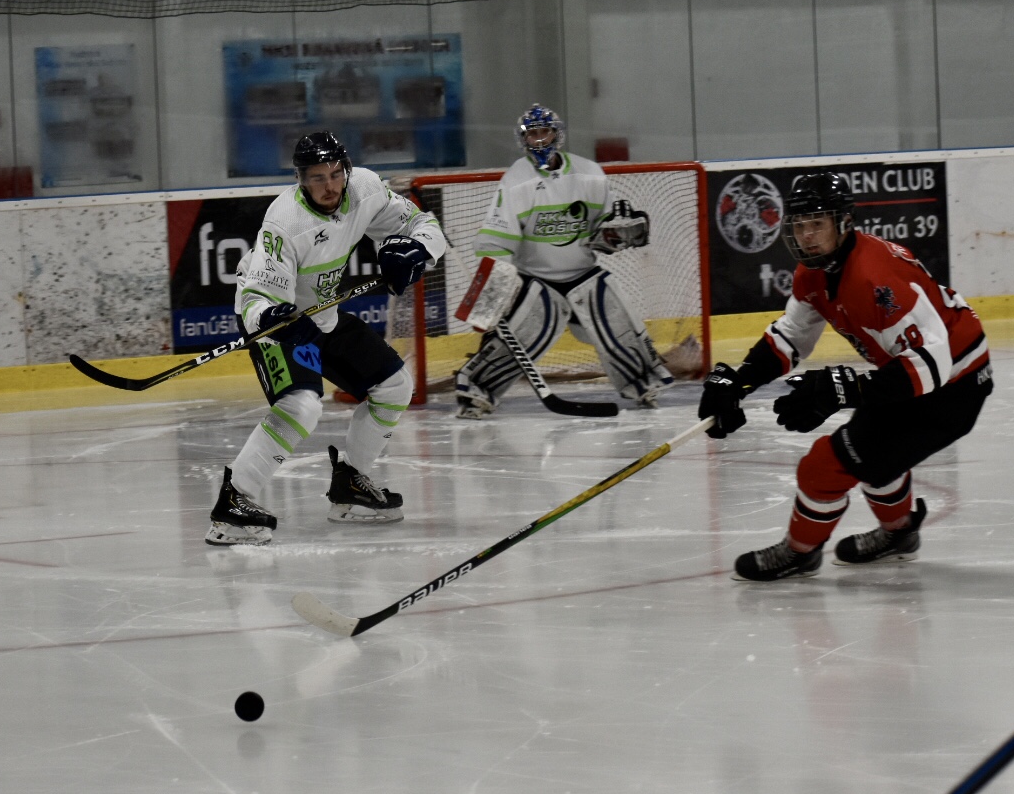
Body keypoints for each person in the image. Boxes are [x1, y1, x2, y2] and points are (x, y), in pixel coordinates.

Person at [697, 171, 992, 581]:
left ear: (844, 222)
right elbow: (791, 336)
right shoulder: (813, 273)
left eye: (817, 223)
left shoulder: (876, 276)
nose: (807, 236)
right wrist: (740, 381)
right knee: (872, 454)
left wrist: (845, 389)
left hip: (953, 386)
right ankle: (899, 534)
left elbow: (932, 363)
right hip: (922, 376)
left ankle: (799, 552)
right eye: (800, 225)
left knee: (824, 467)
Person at [206, 131, 448, 545]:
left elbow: (421, 223)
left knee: (394, 385)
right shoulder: (285, 222)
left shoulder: (366, 188)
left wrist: (416, 249)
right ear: (301, 179)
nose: (329, 186)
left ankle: (351, 484)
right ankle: (233, 504)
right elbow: (257, 297)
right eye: (317, 177)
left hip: (321, 313)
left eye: (335, 174)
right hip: (277, 320)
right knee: (301, 406)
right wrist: (273, 318)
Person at [453, 104, 671, 418]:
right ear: (523, 139)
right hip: (536, 278)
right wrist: (496, 289)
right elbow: (496, 240)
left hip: (583, 273)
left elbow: (604, 227)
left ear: (558, 134)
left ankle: (643, 382)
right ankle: (476, 390)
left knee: (616, 320)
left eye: (545, 132)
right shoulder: (516, 181)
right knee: (524, 335)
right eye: (533, 134)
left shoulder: (589, 174)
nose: (540, 140)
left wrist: (619, 233)